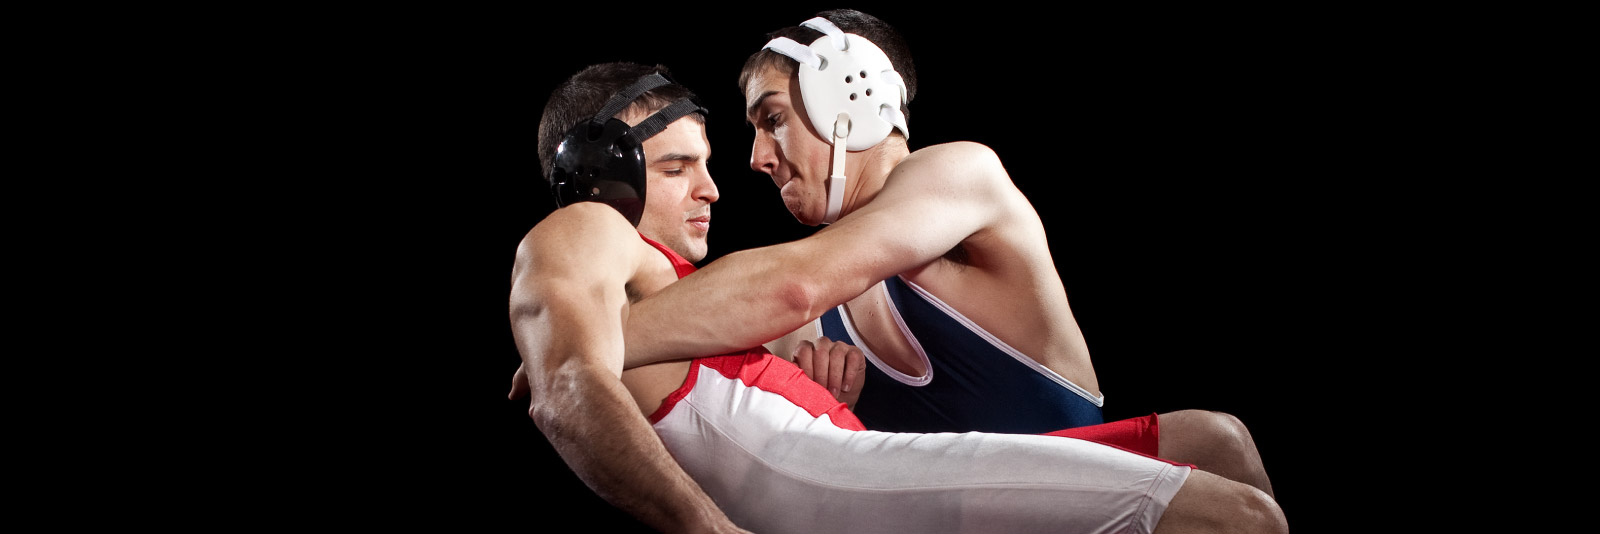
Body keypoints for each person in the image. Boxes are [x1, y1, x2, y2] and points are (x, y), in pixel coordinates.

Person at [511, 60, 1286, 532]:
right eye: (679, 166)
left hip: (844, 459)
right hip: (829, 473)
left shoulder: (679, 290)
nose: (714, 186)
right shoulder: (587, 230)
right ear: (596, 170)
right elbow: (568, 388)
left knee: (1216, 447)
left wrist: (811, 385)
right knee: (1237, 521)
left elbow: (627, 366)